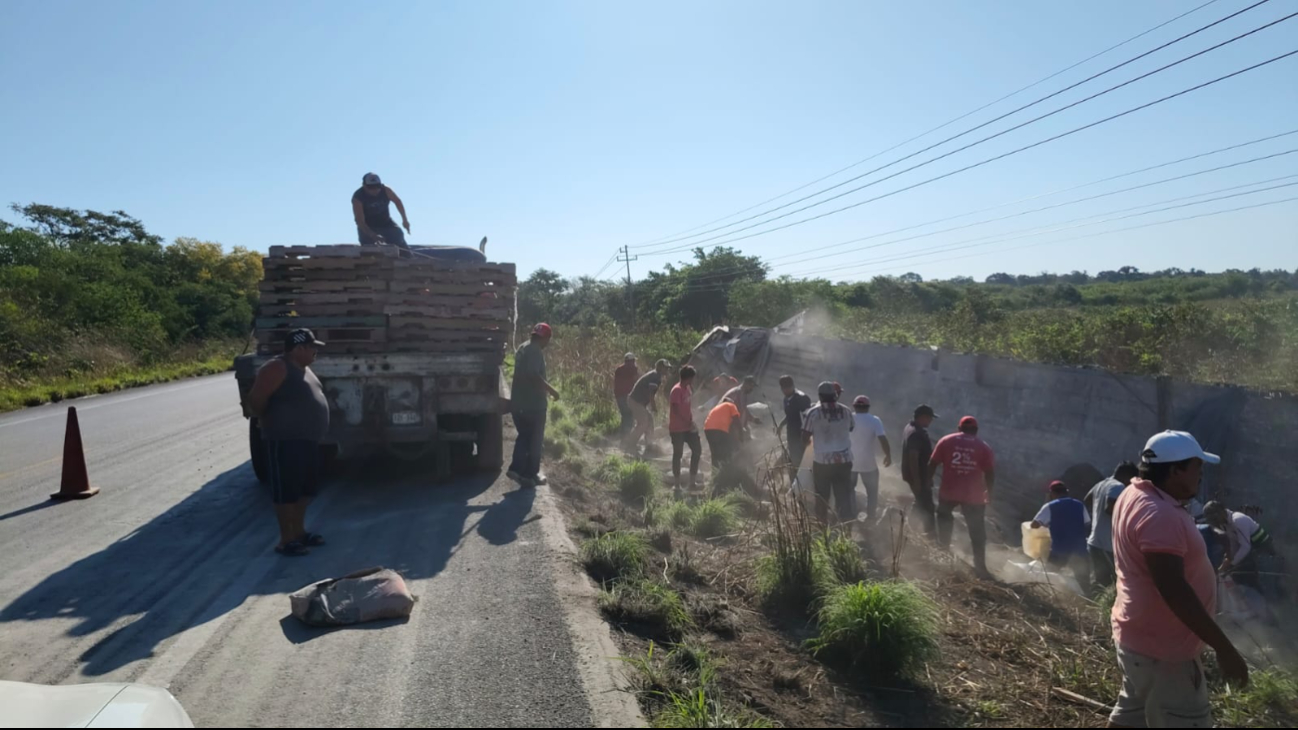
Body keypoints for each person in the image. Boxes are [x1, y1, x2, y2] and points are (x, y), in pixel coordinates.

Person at [1109, 430, 1248, 728]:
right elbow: (1174, 590)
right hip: (1166, 653)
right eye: (1198, 467)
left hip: (1138, 638)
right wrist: (1224, 649)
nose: (1201, 475)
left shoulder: (1135, 493)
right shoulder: (1160, 514)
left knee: (1132, 715)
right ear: (1175, 470)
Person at [245, 328, 331, 557]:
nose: (315, 351)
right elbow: (255, 401)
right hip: (284, 440)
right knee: (286, 491)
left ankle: (299, 532)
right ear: (298, 348)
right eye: (312, 347)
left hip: (307, 440)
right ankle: (286, 540)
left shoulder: (304, 368)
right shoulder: (276, 367)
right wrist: (271, 421)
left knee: (306, 489)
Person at [929, 416, 996, 578]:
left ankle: (943, 552)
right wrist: (990, 492)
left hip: (949, 491)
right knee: (977, 530)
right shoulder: (983, 446)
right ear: (976, 431)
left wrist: (928, 482)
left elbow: (932, 463)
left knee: (945, 518)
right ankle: (980, 566)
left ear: (959, 429)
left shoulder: (946, 441)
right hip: (973, 495)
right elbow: (990, 472)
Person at [508, 323, 560, 488]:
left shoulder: (523, 347)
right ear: (545, 338)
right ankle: (529, 473)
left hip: (518, 402)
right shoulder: (535, 350)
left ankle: (521, 473)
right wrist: (552, 390)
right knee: (535, 440)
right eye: (548, 339)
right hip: (533, 404)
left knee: (525, 435)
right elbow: (533, 374)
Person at [803, 381, 856, 530]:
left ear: (819, 396)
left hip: (823, 462)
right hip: (844, 460)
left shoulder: (813, 412)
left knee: (821, 496)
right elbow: (851, 428)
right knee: (843, 495)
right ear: (835, 395)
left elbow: (805, 436)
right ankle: (845, 529)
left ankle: (822, 528)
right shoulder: (846, 411)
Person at [1084, 461, 1140, 588]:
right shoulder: (1118, 486)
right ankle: (1100, 606)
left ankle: (1091, 605)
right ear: (1127, 476)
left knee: (1099, 579)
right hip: (1107, 544)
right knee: (1110, 581)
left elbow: (1087, 500)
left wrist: (1096, 515)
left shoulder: (1101, 484)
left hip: (1094, 542)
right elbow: (1109, 509)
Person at [1032, 480, 1093, 595]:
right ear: (1067, 492)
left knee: (1049, 578)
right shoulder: (1079, 504)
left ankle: (1052, 598)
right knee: (1084, 582)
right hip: (1079, 549)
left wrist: (1047, 520)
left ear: (1051, 494)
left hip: (1059, 550)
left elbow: (1034, 525)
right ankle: (1089, 603)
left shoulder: (1049, 506)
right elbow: (1087, 523)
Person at [1204, 500, 1272, 591]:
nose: (1215, 522)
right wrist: (1228, 559)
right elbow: (1234, 544)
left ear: (1221, 512)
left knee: (1265, 582)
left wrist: (1231, 564)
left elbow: (1245, 547)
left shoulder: (1238, 520)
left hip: (1266, 551)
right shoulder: (1226, 525)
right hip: (1254, 552)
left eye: (1215, 518)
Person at [849, 395, 892, 521]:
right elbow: (882, 439)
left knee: (849, 489)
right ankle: (871, 516)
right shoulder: (875, 420)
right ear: (868, 407)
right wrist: (888, 455)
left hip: (850, 461)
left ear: (854, 406)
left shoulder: (848, 418)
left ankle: (850, 514)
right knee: (872, 492)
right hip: (868, 463)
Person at [902, 405, 939, 537]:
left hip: (915, 475)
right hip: (919, 476)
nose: (930, 421)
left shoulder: (910, 428)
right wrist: (917, 480)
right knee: (928, 506)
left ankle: (908, 530)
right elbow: (913, 456)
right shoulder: (916, 433)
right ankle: (931, 535)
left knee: (920, 501)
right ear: (923, 417)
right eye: (929, 418)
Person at [351, 172, 411, 248]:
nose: (375, 190)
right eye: (371, 188)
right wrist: (372, 235)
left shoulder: (386, 190)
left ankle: (407, 256)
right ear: (364, 186)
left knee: (398, 235)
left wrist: (405, 220)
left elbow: (397, 202)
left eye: (377, 187)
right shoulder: (358, 198)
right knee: (369, 248)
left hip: (386, 222)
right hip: (368, 226)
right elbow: (359, 221)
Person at [625, 359, 670, 455]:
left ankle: (649, 444)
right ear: (661, 368)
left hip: (636, 401)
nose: (667, 370)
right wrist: (654, 407)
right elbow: (651, 394)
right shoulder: (656, 376)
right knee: (643, 423)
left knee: (649, 420)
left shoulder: (655, 375)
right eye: (666, 368)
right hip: (635, 401)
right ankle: (629, 444)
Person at [669, 366, 702, 491]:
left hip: (688, 427)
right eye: (692, 377)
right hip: (677, 428)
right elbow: (676, 410)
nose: (693, 380)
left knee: (697, 450)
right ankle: (676, 484)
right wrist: (687, 422)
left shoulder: (687, 389)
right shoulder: (676, 390)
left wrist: (691, 421)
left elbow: (687, 408)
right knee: (678, 454)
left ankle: (692, 483)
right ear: (688, 378)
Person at [778, 375, 813, 485]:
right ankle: (794, 485)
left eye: (787, 388)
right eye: (783, 388)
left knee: (802, 461)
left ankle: (803, 485)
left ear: (793, 386)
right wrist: (781, 425)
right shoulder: (786, 399)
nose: (785, 390)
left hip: (802, 436)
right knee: (793, 460)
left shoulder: (802, 399)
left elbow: (808, 417)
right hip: (791, 436)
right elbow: (790, 416)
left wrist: (807, 435)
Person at [704, 398, 743, 469]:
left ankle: (715, 471)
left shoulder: (716, 408)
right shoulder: (731, 405)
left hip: (708, 429)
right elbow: (736, 421)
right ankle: (727, 470)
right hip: (719, 429)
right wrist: (741, 434)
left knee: (714, 453)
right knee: (726, 450)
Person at [613, 353, 639, 435]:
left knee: (624, 415)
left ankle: (622, 436)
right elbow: (636, 381)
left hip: (619, 395)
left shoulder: (619, 369)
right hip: (628, 396)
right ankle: (627, 438)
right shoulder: (634, 368)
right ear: (633, 360)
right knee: (630, 416)